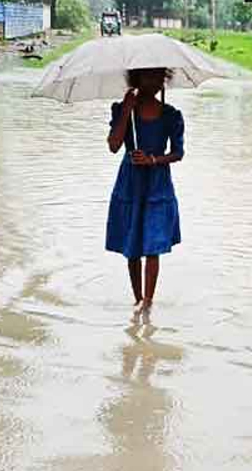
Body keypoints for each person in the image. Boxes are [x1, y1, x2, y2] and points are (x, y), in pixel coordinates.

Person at [106, 67, 185, 320]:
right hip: (130, 182)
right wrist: (127, 108)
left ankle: (148, 301)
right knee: (132, 244)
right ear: (136, 79)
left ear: (163, 80)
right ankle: (137, 298)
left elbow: (178, 153)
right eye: (145, 76)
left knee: (153, 244)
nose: (150, 81)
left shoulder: (171, 115)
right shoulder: (122, 110)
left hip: (157, 182)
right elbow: (113, 145)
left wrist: (153, 159)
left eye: (156, 76)